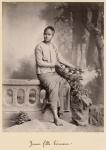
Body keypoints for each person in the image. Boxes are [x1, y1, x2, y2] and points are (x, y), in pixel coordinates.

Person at [35, 26, 75, 126]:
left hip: (53, 73)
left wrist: (72, 66)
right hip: (43, 74)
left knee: (65, 84)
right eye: (45, 33)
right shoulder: (39, 47)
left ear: (52, 36)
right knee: (53, 87)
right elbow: (39, 63)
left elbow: (60, 58)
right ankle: (56, 118)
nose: (46, 36)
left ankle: (59, 110)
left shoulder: (53, 46)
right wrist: (54, 64)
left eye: (49, 34)